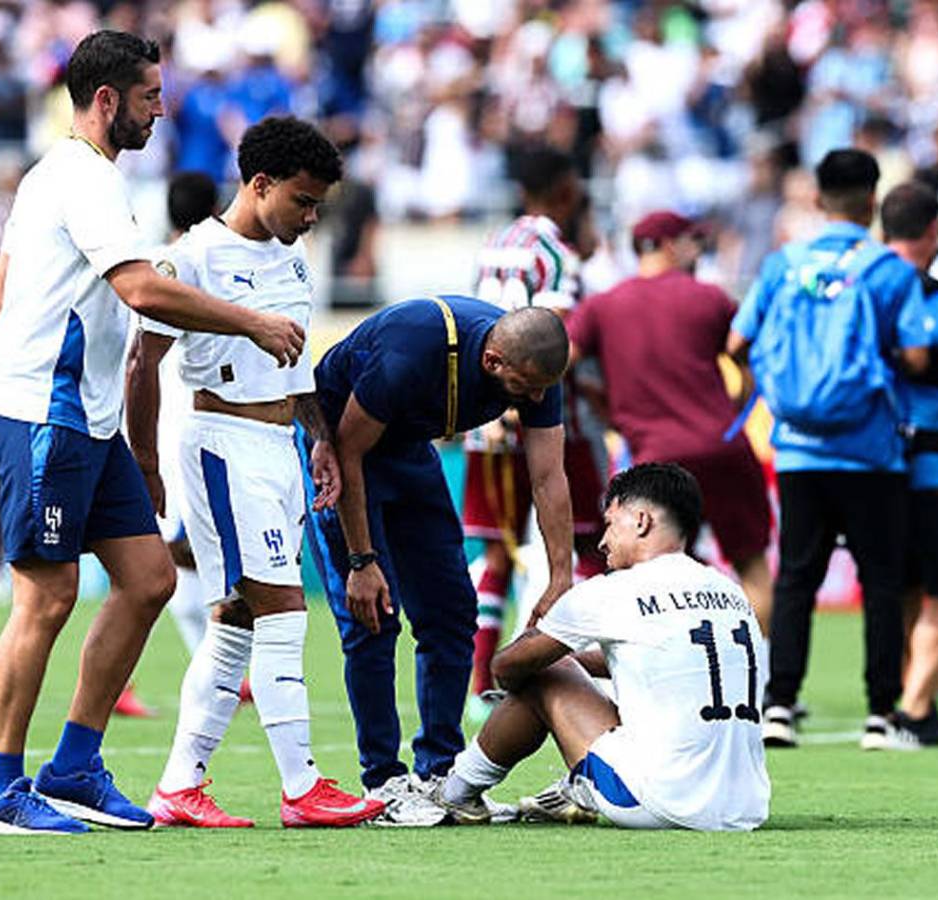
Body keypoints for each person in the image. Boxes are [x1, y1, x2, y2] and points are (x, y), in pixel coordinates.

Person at [0, 32, 305, 836]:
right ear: (107, 100)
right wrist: (252, 322)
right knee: (46, 595)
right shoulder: (82, 178)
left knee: (149, 578)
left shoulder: (66, 176)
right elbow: (142, 290)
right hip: (48, 413)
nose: (161, 108)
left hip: (87, 415)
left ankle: (74, 767)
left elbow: (6, 282)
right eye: (150, 95)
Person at [129, 116, 384, 829]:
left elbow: (296, 365)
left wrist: (320, 439)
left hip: (278, 450)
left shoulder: (294, 259)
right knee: (281, 610)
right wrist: (144, 461)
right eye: (302, 201)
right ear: (260, 184)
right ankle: (302, 787)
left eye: (317, 206)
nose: (310, 217)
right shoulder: (193, 257)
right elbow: (140, 362)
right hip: (223, 442)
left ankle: (180, 786)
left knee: (237, 617)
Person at [307, 298, 574, 825]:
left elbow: (548, 476)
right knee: (373, 619)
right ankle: (383, 782)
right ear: (493, 362)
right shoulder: (411, 352)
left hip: (408, 450)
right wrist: (362, 561)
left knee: (452, 614)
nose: (538, 398)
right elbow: (350, 450)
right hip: (340, 450)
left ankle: (439, 776)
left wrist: (561, 575)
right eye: (526, 387)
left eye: (545, 387)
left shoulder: (538, 364)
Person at [436, 463, 771, 832]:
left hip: (657, 803)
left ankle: (457, 790)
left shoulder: (612, 591)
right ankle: (573, 790)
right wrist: (580, 663)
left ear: (641, 521)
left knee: (545, 668)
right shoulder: (730, 590)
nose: (601, 541)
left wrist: (541, 668)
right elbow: (668, 660)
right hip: (747, 807)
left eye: (610, 524)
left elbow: (507, 669)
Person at [728, 148, 930, 750]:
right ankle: (880, 713)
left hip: (798, 449)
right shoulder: (888, 270)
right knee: (882, 581)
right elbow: (917, 356)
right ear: (873, 202)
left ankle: (781, 704)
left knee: (795, 580)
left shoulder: (781, 264)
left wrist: (771, 388)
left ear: (816, 199)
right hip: (871, 450)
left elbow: (738, 341)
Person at [567, 210, 774, 633]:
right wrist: (735, 407)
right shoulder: (708, 297)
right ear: (666, 245)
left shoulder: (601, 307)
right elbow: (747, 352)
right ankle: (761, 681)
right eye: (690, 242)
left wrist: (600, 401)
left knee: (646, 582)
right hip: (723, 449)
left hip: (656, 463)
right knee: (752, 567)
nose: (696, 251)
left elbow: (562, 359)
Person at [465, 147, 604, 725]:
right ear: (568, 190)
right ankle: (567, 669)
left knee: (495, 552)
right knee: (578, 544)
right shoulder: (555, 254)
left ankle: (480, 683)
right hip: (540, 416)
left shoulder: (498, 243)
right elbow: (554, 343)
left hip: (485, 417)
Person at [113, 170, 221, 720]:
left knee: (182, 560)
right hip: (173, 425)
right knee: (151, 559)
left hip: (150, 421)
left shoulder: (146, 267)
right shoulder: (198, 266)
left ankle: (218, 660)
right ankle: (117, 680)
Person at [882, 181, 938, 745]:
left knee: (906, 588)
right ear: (935, 230)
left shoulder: (862, 293)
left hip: (878, 464)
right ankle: (912, 709)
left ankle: (917, 707)